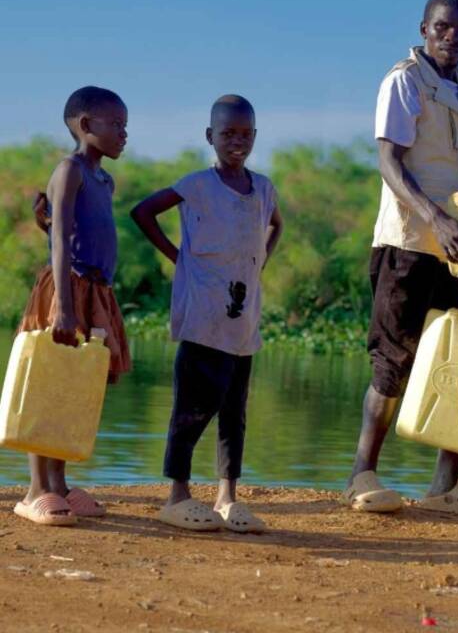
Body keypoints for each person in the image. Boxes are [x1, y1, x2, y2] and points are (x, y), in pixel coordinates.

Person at [343, 0, 458, 517]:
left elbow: (455, 161)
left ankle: (446, 486)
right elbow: (391, 163)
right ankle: (361, 476)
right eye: (443, 28)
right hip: (409, 241)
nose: (453, 38)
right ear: (424, 29)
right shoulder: (403, 81)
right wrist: (435, 216)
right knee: (393, 357)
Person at [131, 95, 283, 533]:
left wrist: (260, 260)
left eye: (244, 134)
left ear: (254, 137)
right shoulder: (197, 184)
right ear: (209, 137)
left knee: (234, 410)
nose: (236, 142)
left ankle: (227, 497)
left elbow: (277, 225)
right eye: (227, 134)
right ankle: (177, 495)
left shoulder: (263, 188)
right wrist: (181, 259)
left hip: (243, 318)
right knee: (193, 406)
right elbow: (143, 212)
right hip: (203, 314)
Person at [13, 86, 131, 526]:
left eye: (125, 125)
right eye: (115, 124)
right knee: (48, 383)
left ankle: (59, 485)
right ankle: (34, 490)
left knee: (73, 387)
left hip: (96, 290)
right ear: (86, 126)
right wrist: (63, 304)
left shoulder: (104, 179)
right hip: (67, 288)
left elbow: (75, 228)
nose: (124, 133)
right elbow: (61, 240)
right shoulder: (70, 170)